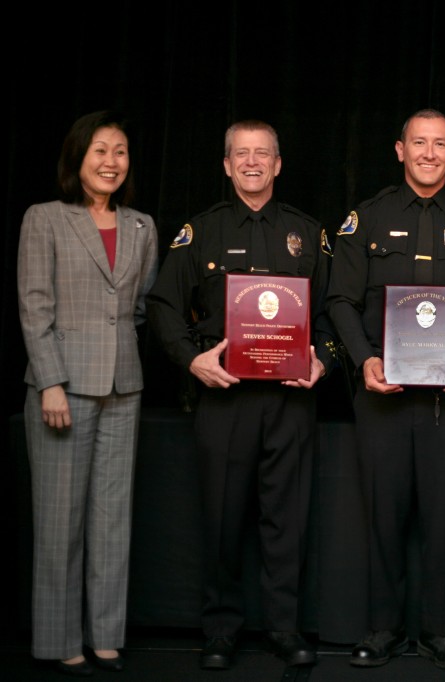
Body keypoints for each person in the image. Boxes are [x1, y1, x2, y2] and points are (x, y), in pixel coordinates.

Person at [146, 120, 337, 671]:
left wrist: (322, 361)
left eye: (262, 154)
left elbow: (329, 311)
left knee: (288, 519)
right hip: (224, 396)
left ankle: (284, 628)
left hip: (290, 398)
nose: (252, 162)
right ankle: (220, 630)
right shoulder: (199, 232)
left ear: (278, 164)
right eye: (241, 154)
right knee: (222, 516)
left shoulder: (307, 232)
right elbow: (162, 305)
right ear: (227, 165)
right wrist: (190, 359)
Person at [326, 109, 445, 672]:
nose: (429, 153)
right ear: (400, 149)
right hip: (382, 394)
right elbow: (340, 301)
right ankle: (382, 629)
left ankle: (440, 632)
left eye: (441, 144)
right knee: (383, 515)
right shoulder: (368, 218)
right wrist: (364, 361)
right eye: (419, 143)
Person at [17, 110, 158, 676]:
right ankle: (60, 640)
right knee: (59, 521)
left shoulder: (142, 226)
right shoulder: (45, 219)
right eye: (100, 150)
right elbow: (34, 306)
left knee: (112, 518)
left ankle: (106, 636)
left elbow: (140, 305)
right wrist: (49, 379)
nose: (111, 162)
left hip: (124, 385)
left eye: (120, 151)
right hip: (63, 387)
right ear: (78, 158)